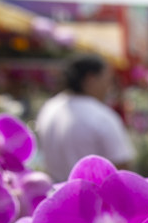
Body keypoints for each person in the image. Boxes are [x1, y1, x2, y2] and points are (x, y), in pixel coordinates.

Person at [34, 54, 135, 182]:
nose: (109, 88)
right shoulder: (101, 116)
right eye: (107, 80)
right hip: (93, 199)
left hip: (56, 194)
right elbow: (123, 168)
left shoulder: (49, 108)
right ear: (91, 79)